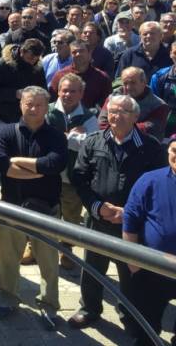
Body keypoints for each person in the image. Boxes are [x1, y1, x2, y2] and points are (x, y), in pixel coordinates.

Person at [67, 94, 166, 331]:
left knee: (131, 274)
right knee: (92, 267)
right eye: (112, 111)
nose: (115, 116)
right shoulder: (93, 142)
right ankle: (90, 308)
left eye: (122, 111)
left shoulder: (150, 147)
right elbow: (79, 178)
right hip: (98, 219)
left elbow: (158, 187)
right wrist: (96, 206)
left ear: (135, 116)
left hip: (132, 225)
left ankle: (130, 316)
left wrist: (130, 213)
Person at [0, 86, 67, 328]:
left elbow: (54, 163)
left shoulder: (56, 135)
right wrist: (37, 170)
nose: (33, 109)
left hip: (46, 209)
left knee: (48, 261)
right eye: (29, 104)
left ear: (47, 108)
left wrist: (20, 164)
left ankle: (49, 306)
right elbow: (0, 163)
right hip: (12, 206)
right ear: (20, 105)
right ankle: (8, 299)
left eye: (39, 105)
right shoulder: (5, 132)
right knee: (8, 257)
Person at [122, 137, 176, 346]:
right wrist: (133, 260)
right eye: (173, 150)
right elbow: (131, 219)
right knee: (146, 321)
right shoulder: (150, 180)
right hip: (154, 267)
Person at [46, 74, 98, 269]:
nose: (67, 94)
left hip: (72, 176)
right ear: (58, 91)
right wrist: (72, 137)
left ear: (81, 93)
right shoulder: (47, 110)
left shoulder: (89, 115)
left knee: (71, 216)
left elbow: (90, 145)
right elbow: (43, 140)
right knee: (42, 212)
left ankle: (66, 251)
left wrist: (59, 137)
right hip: (47, 175)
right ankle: (35, 247)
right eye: (64, 90)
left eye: (73, 91)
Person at [98, 66, 169, 141]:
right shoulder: (112, 98)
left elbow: (150, 128)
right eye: (125, 83)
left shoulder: (159, 106)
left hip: (144, 147)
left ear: (144, 82)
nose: (128, 87)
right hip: (111, 142)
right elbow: (102, 122)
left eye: (133, 83)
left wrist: (119, 129)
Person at [49, 40, 112, 109]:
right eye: (74, 52)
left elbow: (106, 104)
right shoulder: (60, 76)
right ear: (70, 55)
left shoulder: (102, 77)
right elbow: (52, 100)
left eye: (81, 51)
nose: (78, 54)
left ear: (89, 53)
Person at [149, 41, 176, 137]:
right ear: (170, 54)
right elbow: (153, 102)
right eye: (175, 53)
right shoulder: (159, 76)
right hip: (165, 127)